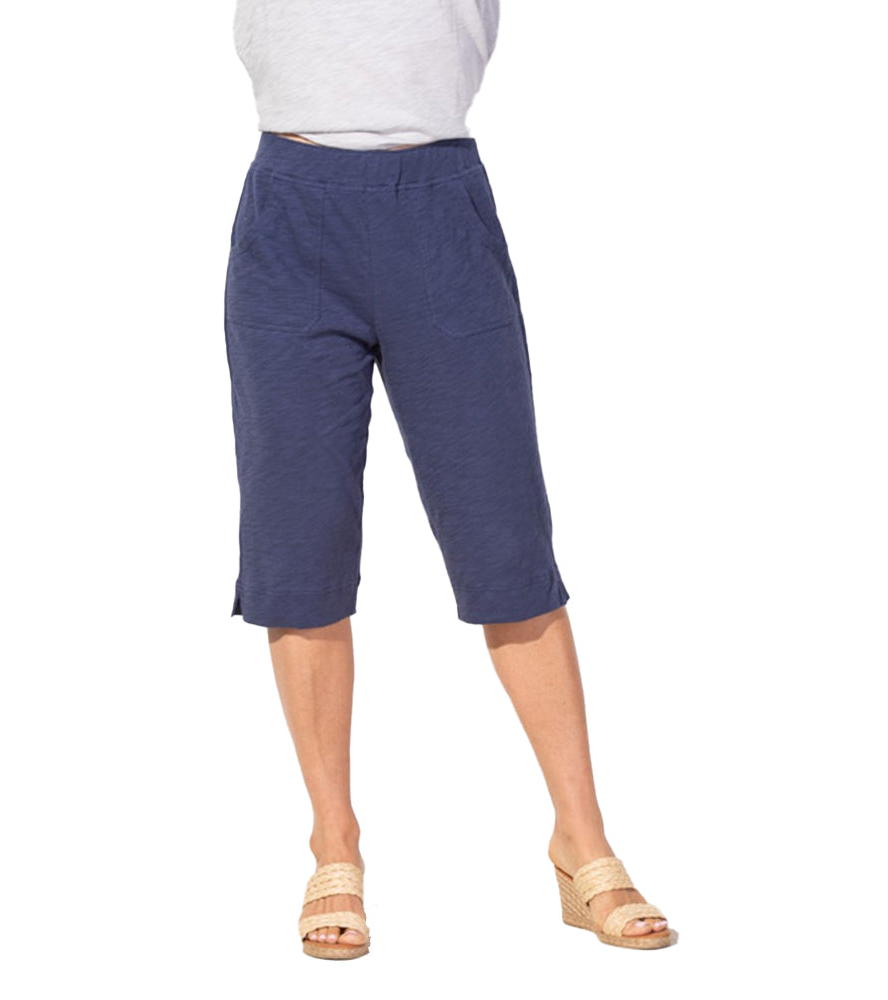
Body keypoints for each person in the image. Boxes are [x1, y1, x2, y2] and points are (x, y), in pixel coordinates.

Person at [223, 0, 677, 958]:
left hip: (437, 207)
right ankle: (334, 843)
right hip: (291, 209)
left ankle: (581, 840)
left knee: (503, 535)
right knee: (296, 539)